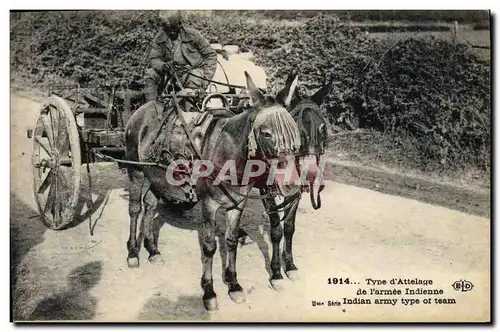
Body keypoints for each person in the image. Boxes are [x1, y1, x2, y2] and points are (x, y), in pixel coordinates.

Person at [144, 11, 217, 103]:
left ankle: (190, 109)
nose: (171, 32)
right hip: (169, 75)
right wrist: (162, 66)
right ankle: (151, 108)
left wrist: (206, 79)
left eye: (173, 28)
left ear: (179, 24)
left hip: (190, 73)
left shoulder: (193, 36)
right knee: (150, 73)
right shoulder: (159, 38)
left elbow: (211, 55)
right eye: (167, 29)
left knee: (196, 76)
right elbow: (154, 59)